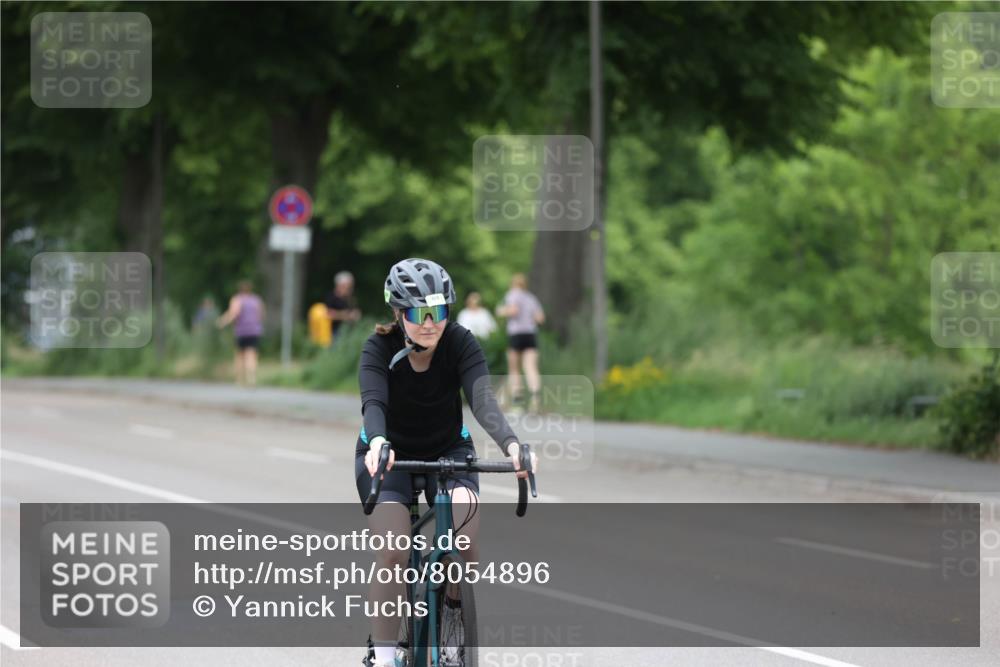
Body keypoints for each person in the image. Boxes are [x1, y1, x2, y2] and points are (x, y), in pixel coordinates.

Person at [356, 258, 537, 667]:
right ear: (398, 313)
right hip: (388, 454)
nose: (430, 323)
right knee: (392, 553)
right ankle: (382, 655)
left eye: (438, 312)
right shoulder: (377, 348)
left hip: (449, 451)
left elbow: (483, 400)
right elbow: (374, 404)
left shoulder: (460, 342)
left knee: (465, 541)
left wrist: (511, 445)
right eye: (419, 314)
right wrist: (379, 442)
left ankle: (451, 615)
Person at [495, 273, 545, 412]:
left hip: (516, 334)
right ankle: (535, 400)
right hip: (530, 334)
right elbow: (540, 318)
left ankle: (517, 402)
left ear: (513, 283)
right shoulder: (531, 298)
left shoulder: (512, 294)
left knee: (514, 369)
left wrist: (501, 311)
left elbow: (513, 310)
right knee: (531, 368)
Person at [216, 280, 264, 386]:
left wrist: (221, 322)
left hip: (242, 331)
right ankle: (252, 379)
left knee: (240, 355)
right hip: (254, 331)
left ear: (240, 290)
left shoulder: (237, 299)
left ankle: (239, 380)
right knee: (252, 355)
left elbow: (233, 313)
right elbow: (261, 315)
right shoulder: (256, 300)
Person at [326, 271, 361, 341]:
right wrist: (346, 316)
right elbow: (327, 314)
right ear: (340, 285)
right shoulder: (332, 297)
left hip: (347, 332)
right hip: (333, 332)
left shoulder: (349, 298)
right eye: (348, 286)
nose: (350, 289)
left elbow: (354, 311)